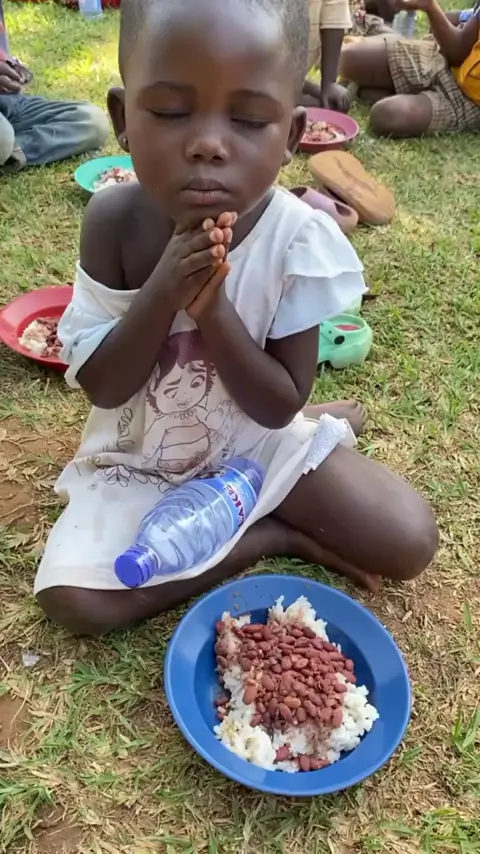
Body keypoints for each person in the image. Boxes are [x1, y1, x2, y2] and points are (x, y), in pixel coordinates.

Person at [34, 0, 438, 636]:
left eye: (249, 119)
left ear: (292, 136)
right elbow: (104, 387)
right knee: (75, 601)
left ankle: (306, 440)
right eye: (171, 111)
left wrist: (213, 311)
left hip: (255, 443)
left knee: (409, 539)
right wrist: (163, 291)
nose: (208, 144)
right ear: (122, 118)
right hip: (142, 455)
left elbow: (276, 405)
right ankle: (269, 535)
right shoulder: (113, 222)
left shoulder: (295, 239)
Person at [339, 0, 480, 136]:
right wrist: (430, 7)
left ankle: (398, 87)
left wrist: (430, 7)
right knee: (346, 59)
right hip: (446, 58)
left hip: (468, 100)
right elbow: (458, 51)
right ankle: (390, 44)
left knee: (386, 115)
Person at [0, 0, 109, 171]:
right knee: (3, 139)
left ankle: (13, 153)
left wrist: (11, 65)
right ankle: (6, 148)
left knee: (93, 120)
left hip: (11, 104)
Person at [302, 0, 353, 110]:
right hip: (266, 71)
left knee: (332, 103)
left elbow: (334, 14)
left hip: (289, 76)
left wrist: (328, 83)